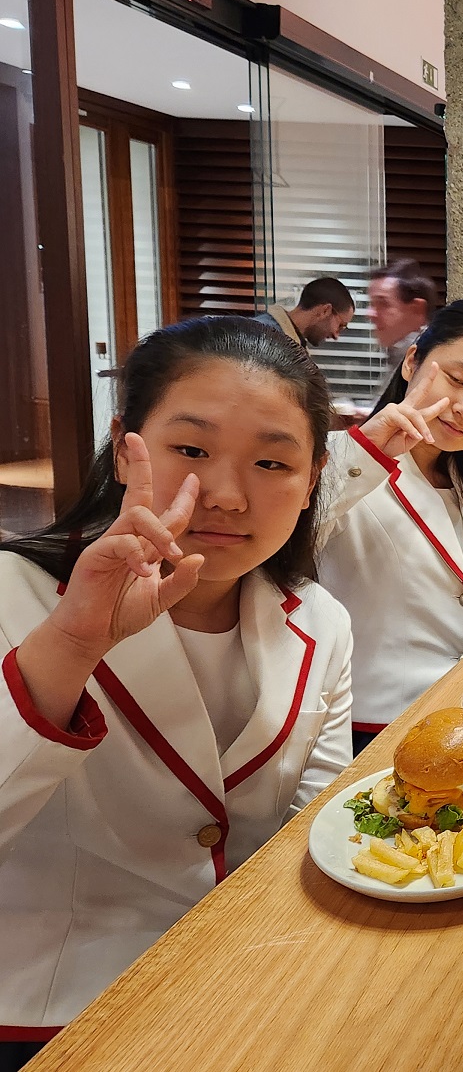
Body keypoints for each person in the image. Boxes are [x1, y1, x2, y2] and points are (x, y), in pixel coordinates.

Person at [0, 319, 352, 1061]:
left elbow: (315, 823)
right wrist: (70, 646)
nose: (226, 495)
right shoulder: (14, 594)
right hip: (56, 1018)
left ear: (313, 476)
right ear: (124, 444)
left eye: (272, 462)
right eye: (191, 451)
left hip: (245, 993)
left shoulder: (320, 622)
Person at [318, 299, 463, 751]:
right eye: (457, 380)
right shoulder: (337, 461)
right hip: (374, 733)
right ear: (412, 361)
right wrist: (368, 451)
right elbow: (292, 533)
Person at [251, 277, 355, 349]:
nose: (336, 336)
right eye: (340, 326)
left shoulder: (290, 343)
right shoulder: (262, 337)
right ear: (325, 311)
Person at [368, 259, 436, 365]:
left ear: (417, 310)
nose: (370, 313)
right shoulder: (402, 356)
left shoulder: (433, 364)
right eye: (372, 304)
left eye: (383, 303)